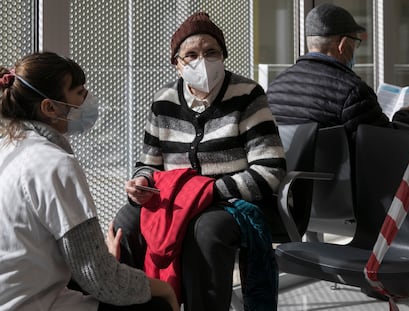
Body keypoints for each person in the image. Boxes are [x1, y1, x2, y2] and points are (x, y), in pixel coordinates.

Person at [113, 12, 286, 311]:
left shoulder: (247, 95)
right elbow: (149, 166)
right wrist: (142, 183)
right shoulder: (164, 100)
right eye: (190, 55)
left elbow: (270, 170)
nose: (201, 61)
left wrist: (207, 193)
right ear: (177, 64)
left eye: (211, 52)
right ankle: (141, 305)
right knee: (127, 221)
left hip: (231, 202)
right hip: (177, 201)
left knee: (206, 230)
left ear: (223, 56)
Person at [0, 51, 179, 311]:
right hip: (34, 304)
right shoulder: (54, 164)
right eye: (79, 93)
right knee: (156, 304)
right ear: (50, 107)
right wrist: (163, 288)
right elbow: (99, 279)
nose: (88, 100)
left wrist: (103, 259)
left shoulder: (8, 147)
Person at [266, 3, 409, 137]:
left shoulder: (276, 87)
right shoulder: (352, 92)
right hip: (333, 168)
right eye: (356, 42)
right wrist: (407, 114)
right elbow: (385, 143)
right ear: (342, 45)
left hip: (288, 167)